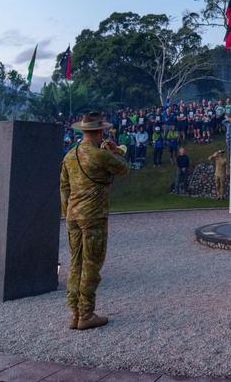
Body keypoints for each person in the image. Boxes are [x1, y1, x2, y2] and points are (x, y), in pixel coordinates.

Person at [60, 112, 130, 331]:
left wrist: (69, 211)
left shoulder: (70, 156)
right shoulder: (100, 155)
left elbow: (64, 187)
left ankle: (74, 313)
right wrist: (115, 150)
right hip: (94, 216)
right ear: (99, 131)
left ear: (83, 131)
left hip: (73, 216)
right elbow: (124, 169)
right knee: (91, 264)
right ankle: (87, 314)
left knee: (75, 263)